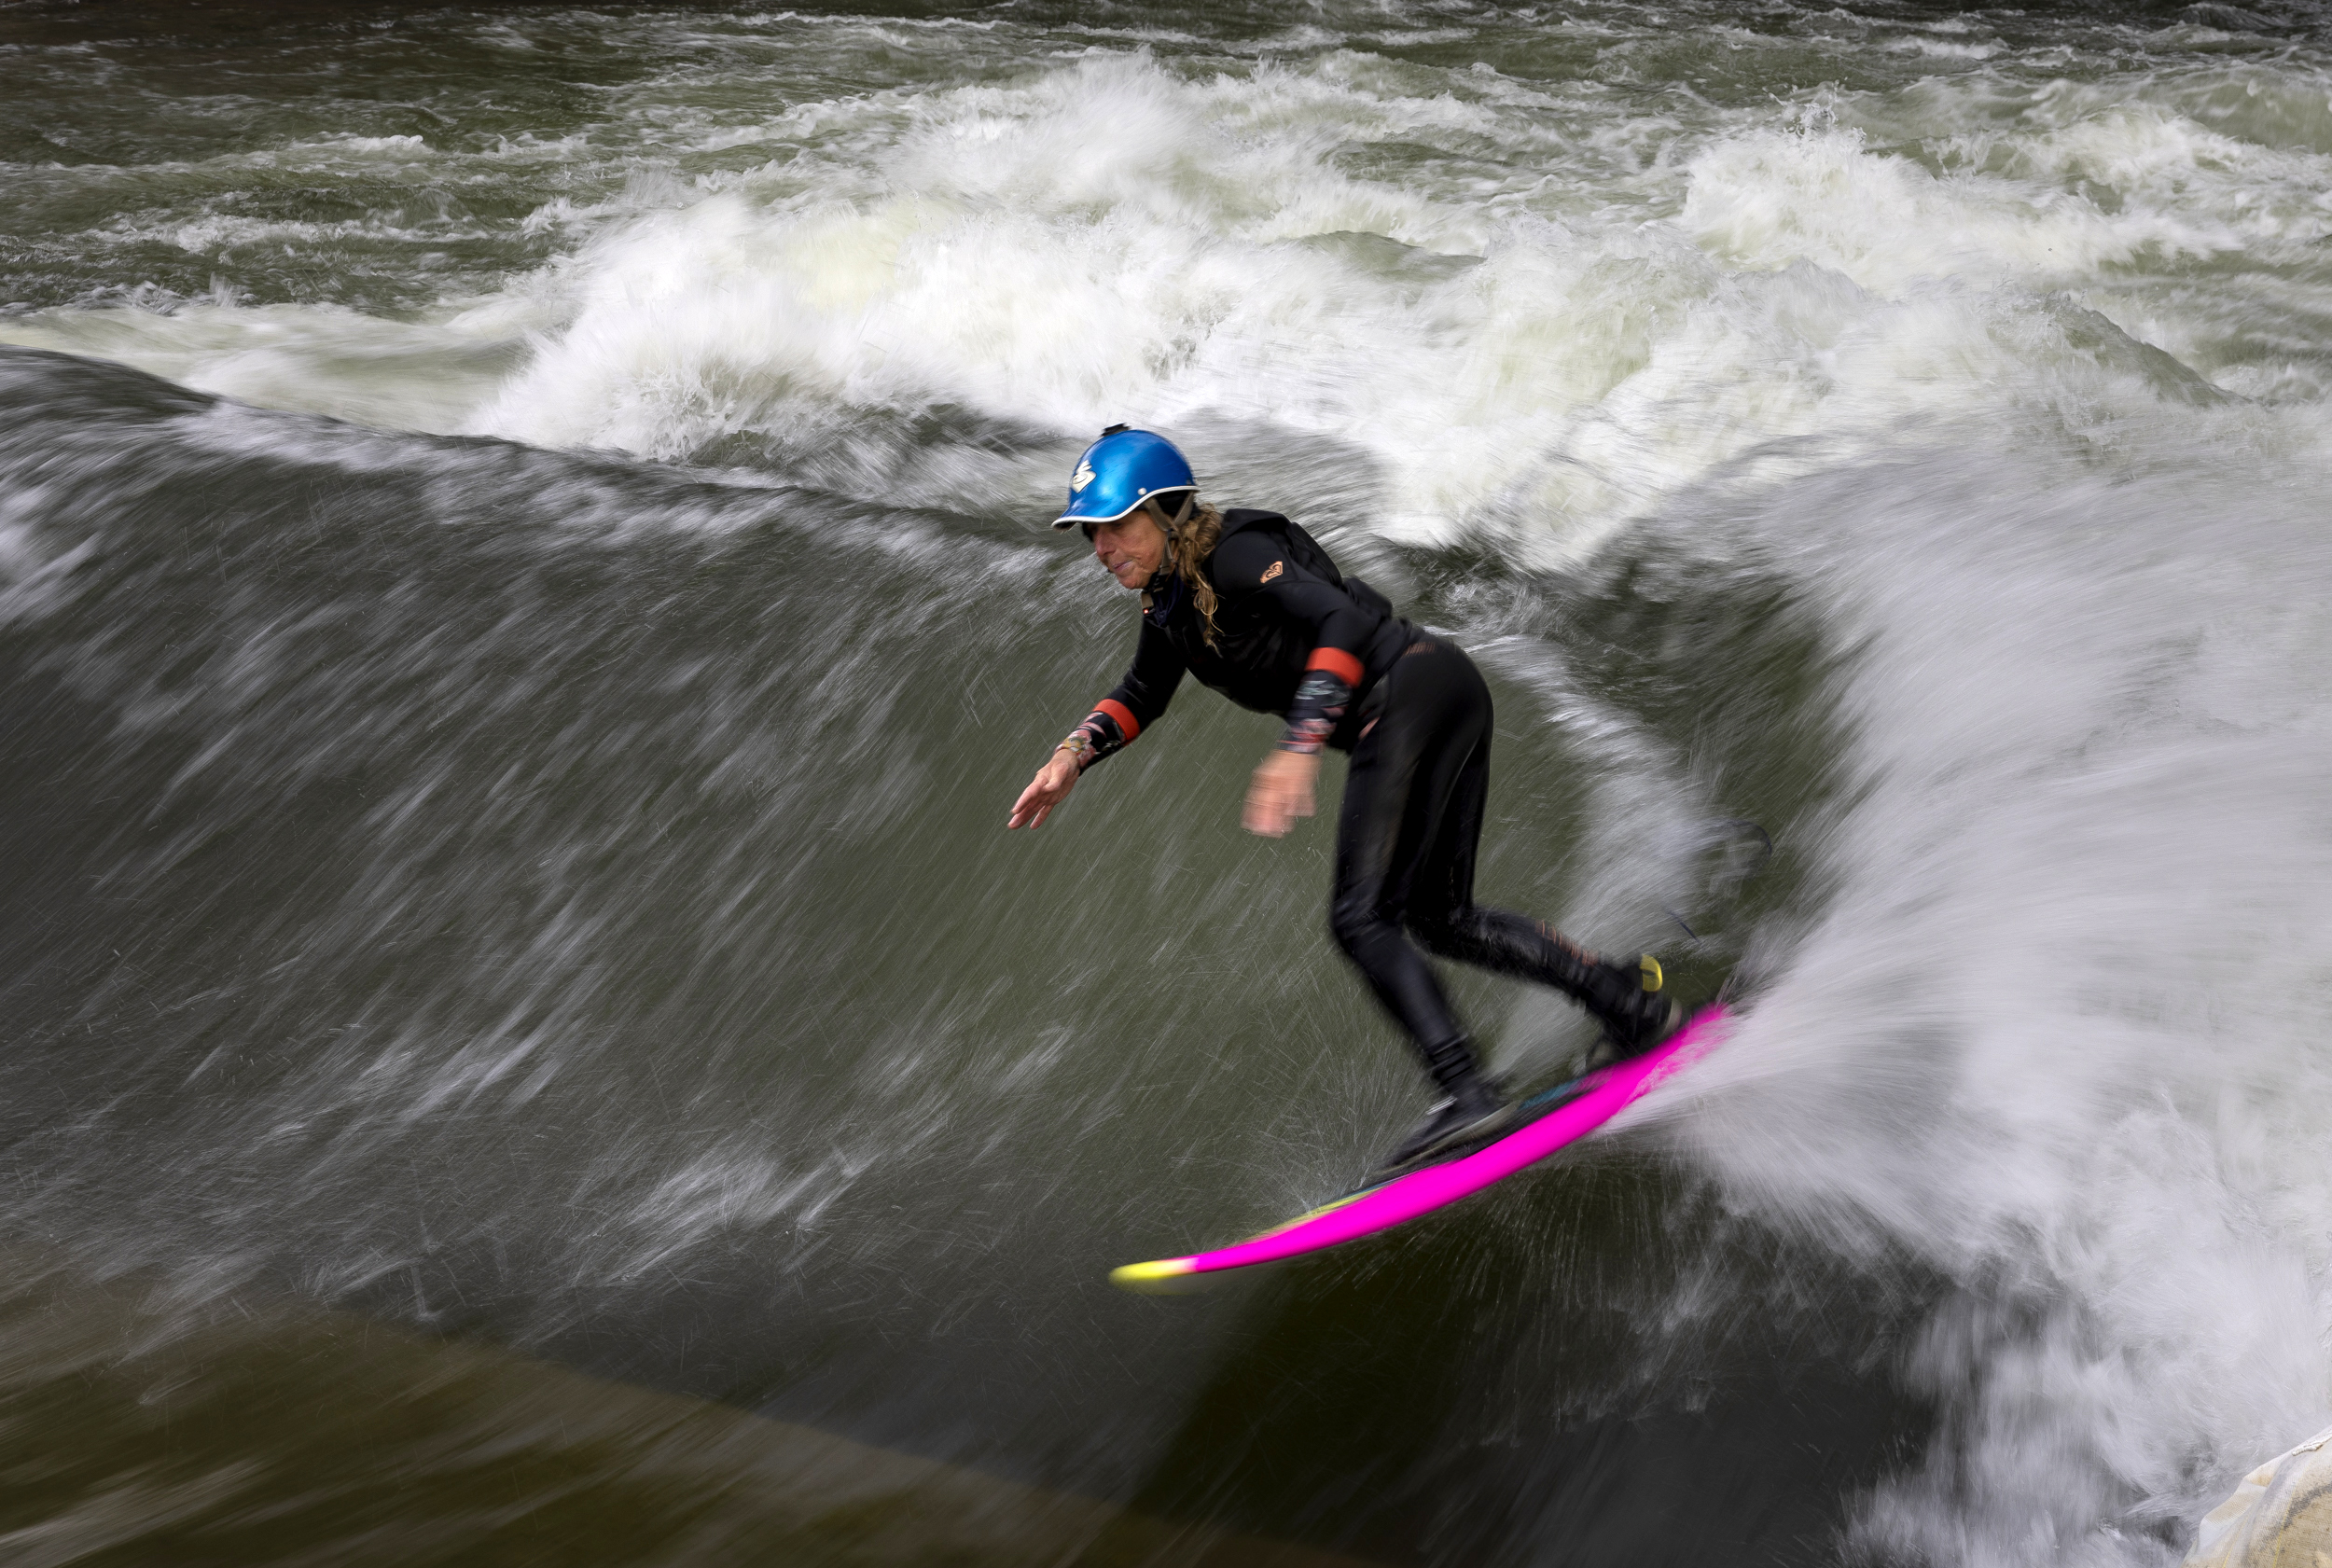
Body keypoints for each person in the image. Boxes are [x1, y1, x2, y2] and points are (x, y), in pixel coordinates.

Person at [1007, 427, 1680, 1177]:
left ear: (1165, 513)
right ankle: (1628, 1003)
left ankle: (1468, 1091)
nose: (1101, 548)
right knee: (1440, 918)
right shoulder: (1169, 600)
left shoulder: (1231, 551)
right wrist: (1072, 756)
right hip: (1435, 694)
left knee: (1361, 917)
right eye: (1089, 533)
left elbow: (1345, 619)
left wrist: (1300, 744)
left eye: (1114, 525)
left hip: (1411, 692)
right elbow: (1142, 692)